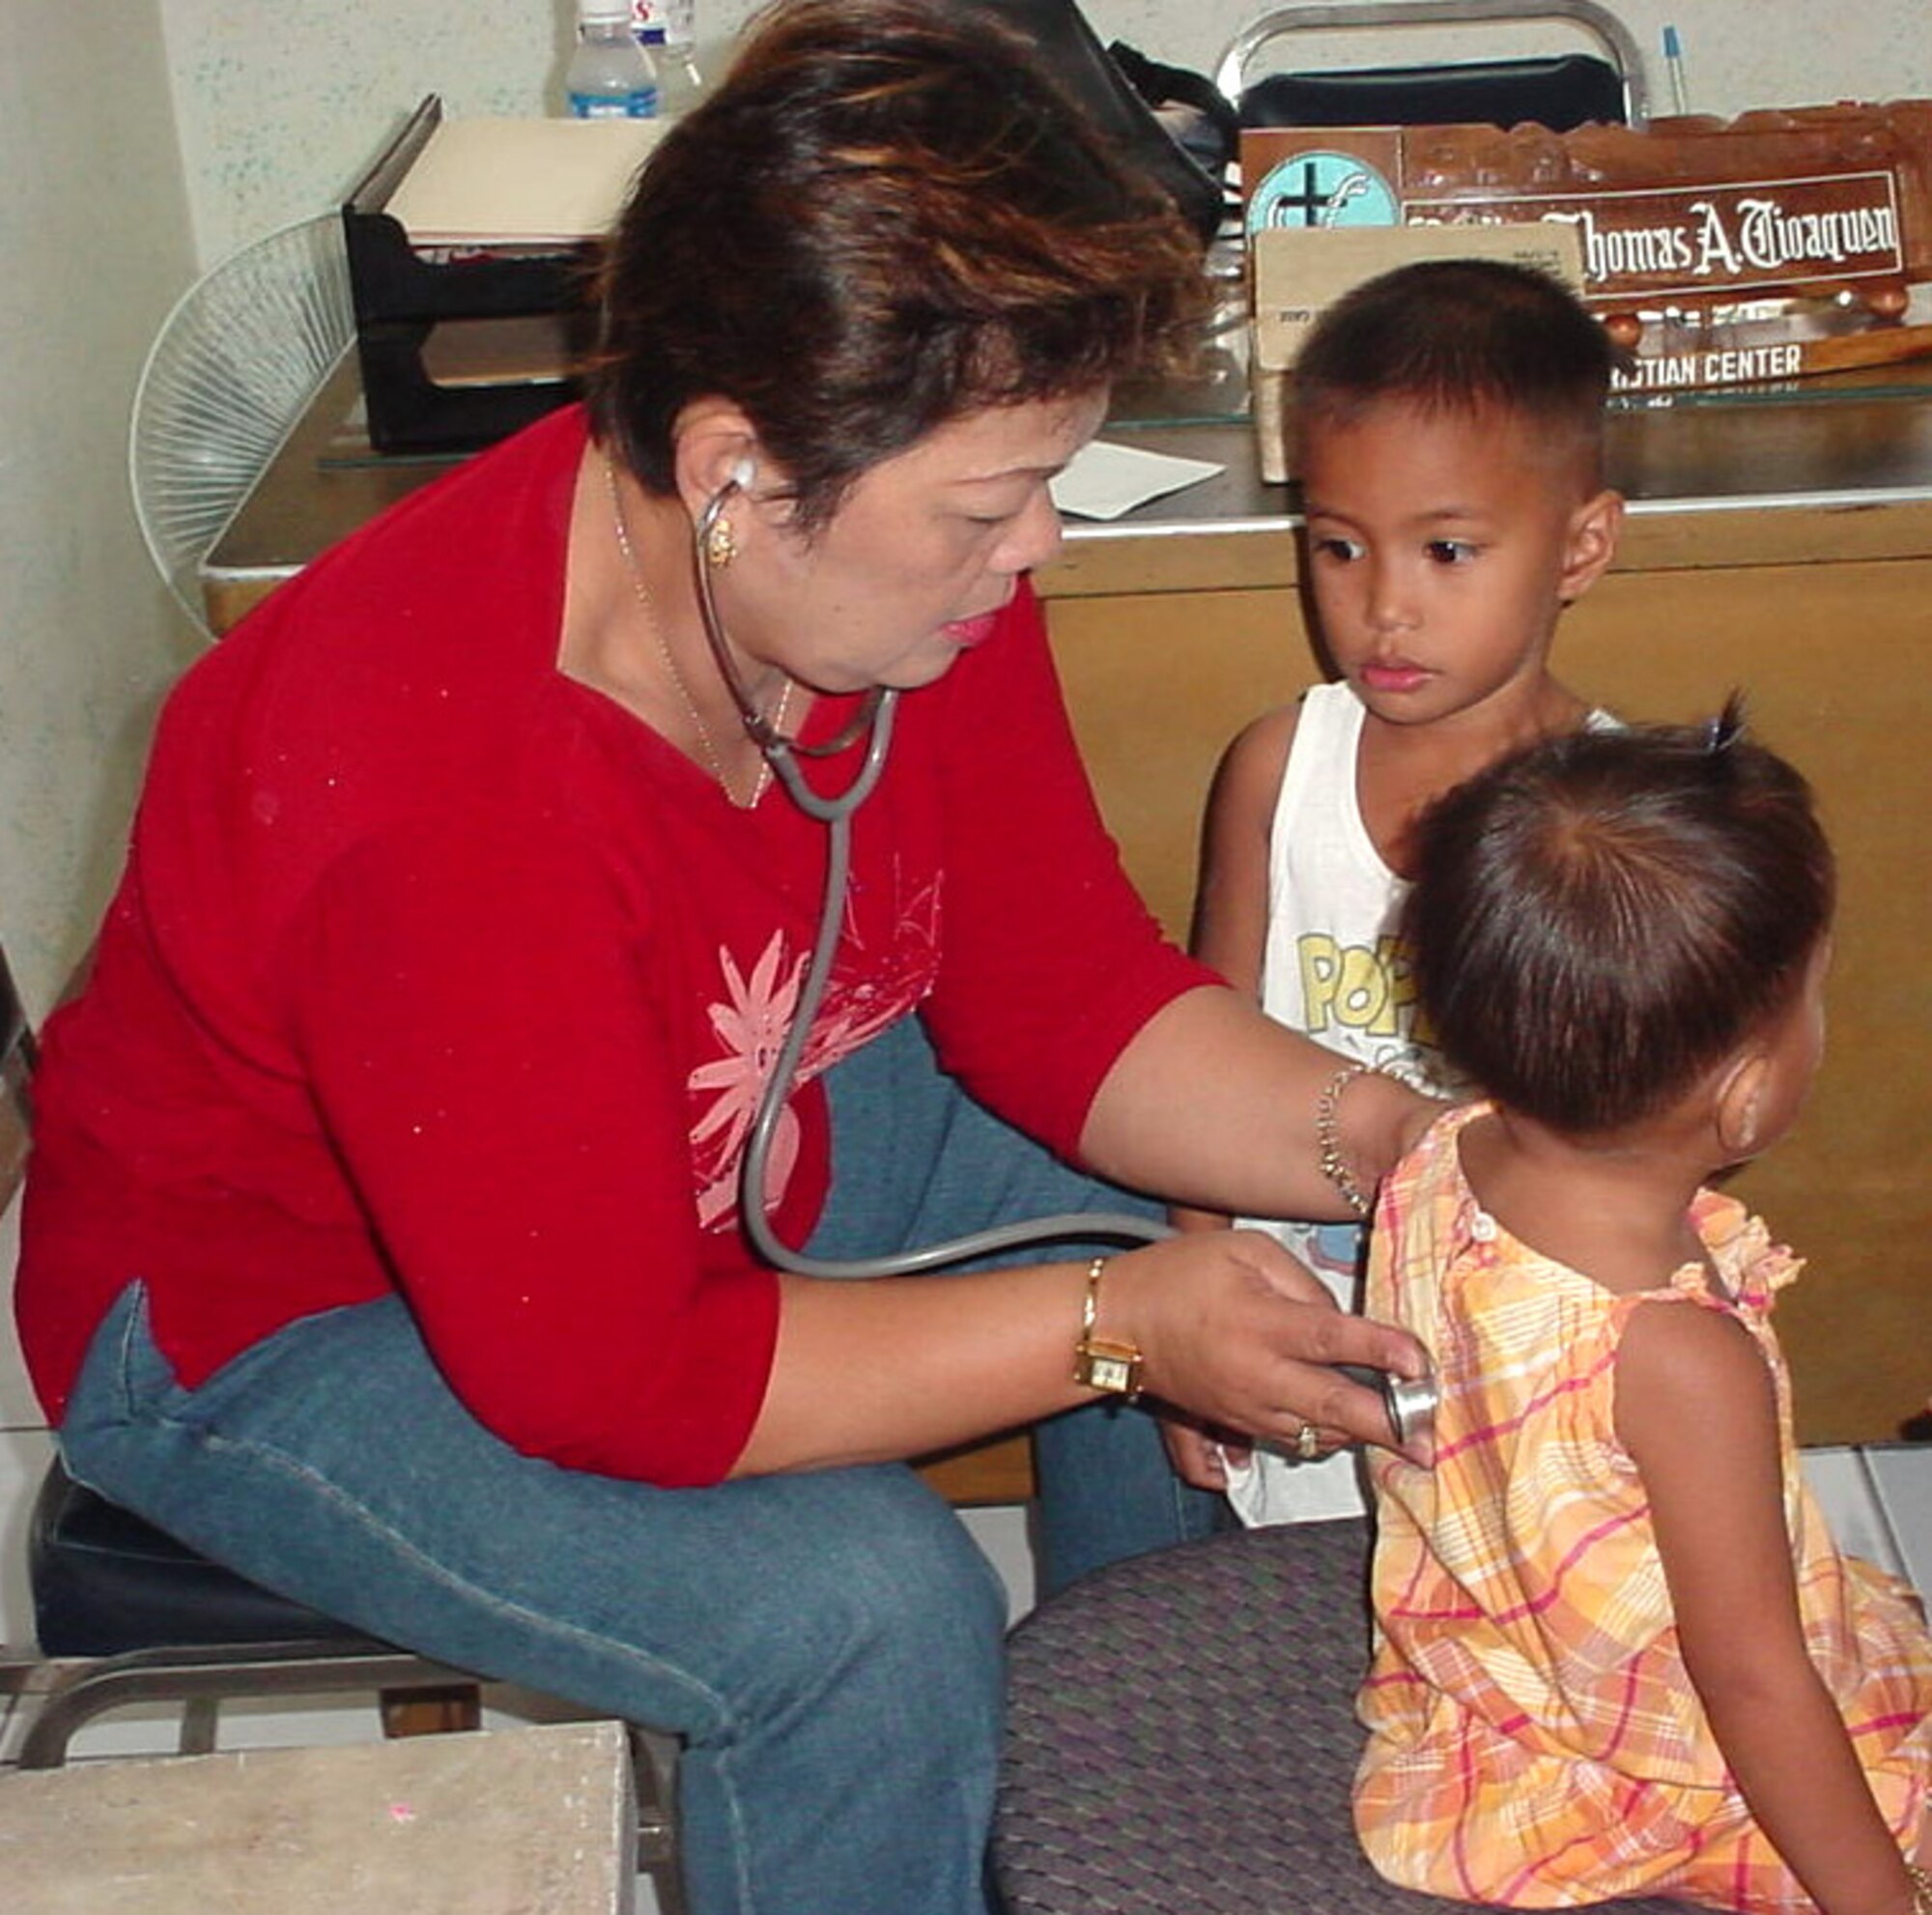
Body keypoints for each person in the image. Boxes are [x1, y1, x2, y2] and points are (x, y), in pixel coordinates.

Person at [14, 4, 1435, 1911]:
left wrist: (1415, 1146)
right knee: (858, 1612)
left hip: (694, 1134)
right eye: (988, 508)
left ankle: (1128, 1809)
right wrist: (1115, 1319)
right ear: (732, 473)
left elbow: (1057, 992)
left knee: (1161, 1192)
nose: (1036, 556)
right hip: (273, 1309)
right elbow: (612, 1380)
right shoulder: (431, 787)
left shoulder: (885, 559)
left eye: (1039, 487)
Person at [1353, 709, 1932, 1913]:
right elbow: (1753, 1683)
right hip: (1654, 1772)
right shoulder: (1672, 1353)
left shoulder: (1437, 1158)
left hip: (1489, 1686)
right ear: (1744, 1095)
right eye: (1809, 997)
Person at [1169, 259, 1625, 1523]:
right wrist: (1200, 1296)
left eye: (1447, 549)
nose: (1384, 607)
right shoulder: (1281, 766)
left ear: (1581, 544)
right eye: (1337, 546)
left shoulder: (1627, 820)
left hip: (1530, 1369)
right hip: (1301, 1347)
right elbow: (1193, 1055)